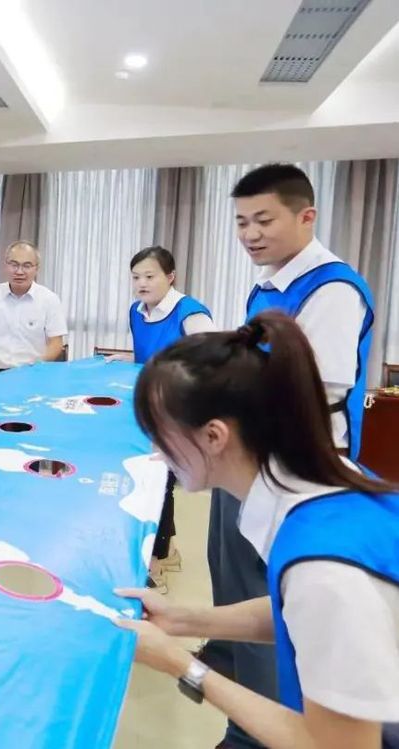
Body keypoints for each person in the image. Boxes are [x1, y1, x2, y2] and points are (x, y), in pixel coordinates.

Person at [115, 311, 398, 749]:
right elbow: (295, 609)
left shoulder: (323, 570)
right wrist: (183, 620)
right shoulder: (322, 482)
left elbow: (336, 745)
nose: (156, 451)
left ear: (214, 436)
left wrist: (180, 665)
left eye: (162, 434)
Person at [202, 164, 375, 748]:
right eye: (241, 222)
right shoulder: (268, 285)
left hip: (295, 466)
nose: (250, 234)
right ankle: (236, 683)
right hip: (250, 457)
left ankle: (261, 729)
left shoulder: (332, 288)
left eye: (264, 220)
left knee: (273, 590)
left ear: (306, 216)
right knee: (229, 571)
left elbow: (314, 387)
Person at [110, 245, 216, 593]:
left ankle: (158, 558)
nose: (141, 283)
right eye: (136, 277)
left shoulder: (190, 313)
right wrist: (127, 358)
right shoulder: (136, 310)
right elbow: (148, 354)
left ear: (170, 277)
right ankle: (165, 550)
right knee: (153, 478)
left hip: (180, 409)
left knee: (161, 480)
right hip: (150, 404)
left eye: (150, 276)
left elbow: (211, 365)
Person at [0, 240, 68, 373]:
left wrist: (39, 364)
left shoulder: (49, 300)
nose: (19, 271)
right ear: (6, 266)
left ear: (36, 268)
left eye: (27, 266)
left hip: (32, 372)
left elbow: (56, 342)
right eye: (14, 265)